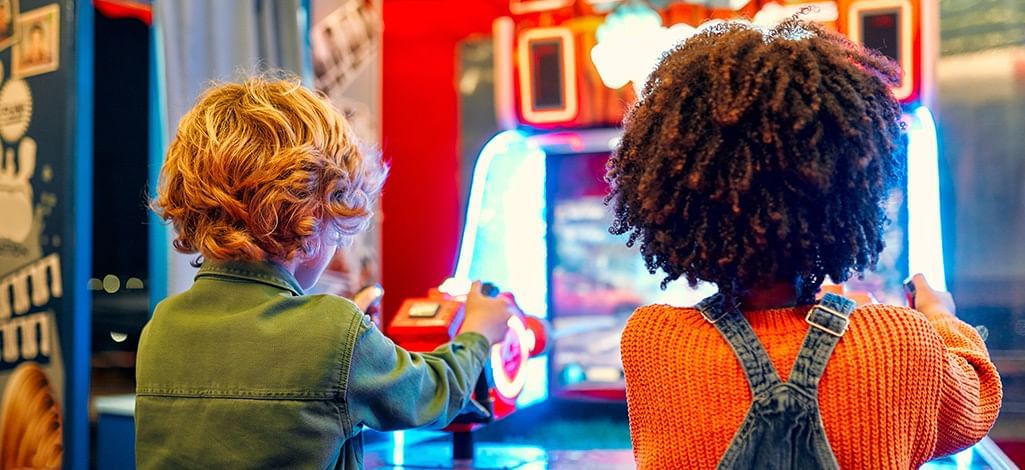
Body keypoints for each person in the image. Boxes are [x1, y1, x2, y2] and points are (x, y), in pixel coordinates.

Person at [609, 19, 1002, 469]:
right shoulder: (898, 339)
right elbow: (978, 401)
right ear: (851, 194)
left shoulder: (652, 342)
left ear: (668, 197)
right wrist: (938, 315)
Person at [136, 76, 517, 469]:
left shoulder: (161, 329)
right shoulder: (333, 333)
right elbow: (434, 395)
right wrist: (478, 333)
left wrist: (349, 342)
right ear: (313, 215)